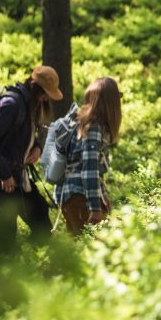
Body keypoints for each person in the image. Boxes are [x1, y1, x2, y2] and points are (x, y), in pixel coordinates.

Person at [0, 65, 61, 250]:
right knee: (4, 241)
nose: (46, 98)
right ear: (34, 86)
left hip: (20, 178)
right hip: (1, 182)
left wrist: (37, 149)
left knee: (41, 222)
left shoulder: (30, 105)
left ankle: (27, 266)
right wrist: (5, 174)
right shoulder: (11, 105)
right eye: (44, 93)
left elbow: (30, 135)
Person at [54, 77, 122, 236]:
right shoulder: (94, 128)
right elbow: (89, 170)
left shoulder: (85, 124)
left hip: (71, 194)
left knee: (78, 247)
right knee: (93, 248)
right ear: (109, 102)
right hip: (78, 196)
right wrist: (95, 208)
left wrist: (103, 197)